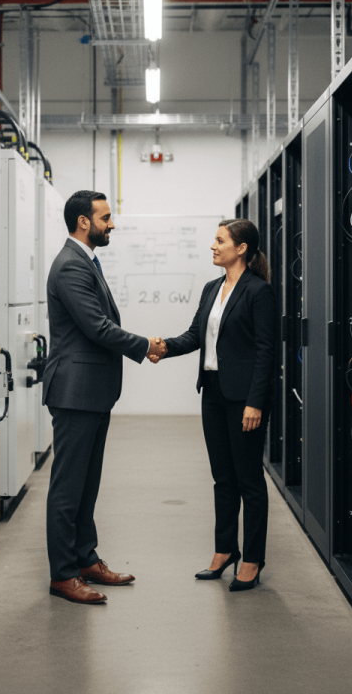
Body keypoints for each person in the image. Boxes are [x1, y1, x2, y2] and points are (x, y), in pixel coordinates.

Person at [43, 190, 166, 605]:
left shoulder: (84, 261)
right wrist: (145, 344)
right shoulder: (70, 267)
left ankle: (85, 558)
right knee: (67, 489)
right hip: (76, 392)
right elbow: (97, 327)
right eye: (105, 218)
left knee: (86, 485)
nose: (111, 224)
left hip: (91, 392)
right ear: (83, 221)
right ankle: (63, 575)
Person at [150, 219, 276, 591]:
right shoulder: (211, 289)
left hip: (245, 400)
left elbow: (267, 352)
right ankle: (225, 550)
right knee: (223, 477)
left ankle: (252, 558)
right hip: (214, 392)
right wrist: (162, 348)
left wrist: (256, 403)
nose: (213, 246)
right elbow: (195, 336)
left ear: (241, 249)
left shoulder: (258, 291)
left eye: (220, 241)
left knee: (248, 480)